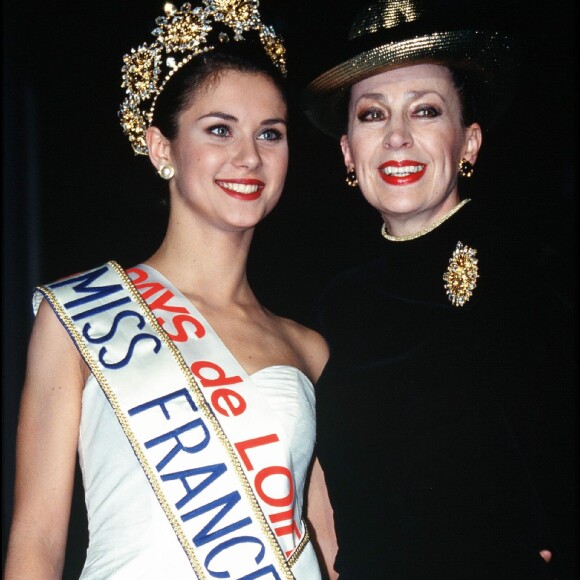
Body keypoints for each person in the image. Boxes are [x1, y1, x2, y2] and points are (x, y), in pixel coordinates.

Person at [3, 1, 330, 578]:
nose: (249, 156)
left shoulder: (310, 348)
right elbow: (35, 539)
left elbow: (329, 550)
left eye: (270, 134)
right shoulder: (81, 315)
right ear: (162, 149)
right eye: (219, 129)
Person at [302, 0, 576, 578]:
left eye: (425, 111)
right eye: (373, 116)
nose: (397, 138)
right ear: (349, 152)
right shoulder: (334, 303)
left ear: (468, 142)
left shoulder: (533, 276)